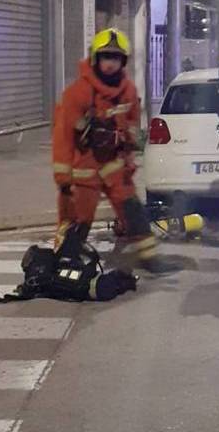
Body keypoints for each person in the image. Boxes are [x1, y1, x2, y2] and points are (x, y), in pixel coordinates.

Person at [52, 28, 176, 274]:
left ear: (123, 61)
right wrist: (63, 176)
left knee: (134, 212)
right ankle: (64, 262)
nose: (110, 63)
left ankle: (150, 258)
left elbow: (131, 124)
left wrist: (129, 150)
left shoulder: (127, 91)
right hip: (84, 169)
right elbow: (62, 136)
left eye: (116, 58)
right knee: (78, 220)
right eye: (106, 57)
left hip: (115, 167)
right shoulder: (77, 93)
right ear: (96, 58)